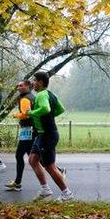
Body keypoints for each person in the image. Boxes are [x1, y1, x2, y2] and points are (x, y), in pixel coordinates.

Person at [27, 71, 74, 201]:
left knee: (50, 166)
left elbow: (46, 109)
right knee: (33, 160)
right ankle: (45, 189)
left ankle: (67, 194)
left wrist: (32, 113)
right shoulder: (50, 94)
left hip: (48, 134)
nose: (33, 83)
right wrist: (48, 117)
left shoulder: (41, 94)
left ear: (41, 82)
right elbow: (60, 109)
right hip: (43, 134)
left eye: (35, 81)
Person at [5, 80, 36, 191]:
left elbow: (25, 115)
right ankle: (17, 183)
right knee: (34, 157)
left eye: (21, 85)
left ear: (28, 86)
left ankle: (17, 183)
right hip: (31, 129)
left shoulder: (25, 99)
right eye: (18, 85)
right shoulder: (32, 97)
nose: (18, 87)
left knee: (19, 155)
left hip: (27, 130)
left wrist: (15, 115)